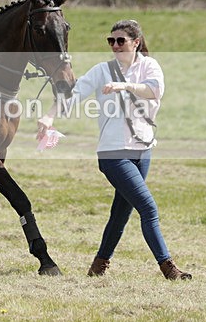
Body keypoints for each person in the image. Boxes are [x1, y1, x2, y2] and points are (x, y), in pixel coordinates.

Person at [36, 19, 192, 280]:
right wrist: (49, 116)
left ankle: (98, 266)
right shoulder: (101, 70)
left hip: (142, 151)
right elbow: (73, 94)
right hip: (113, 153)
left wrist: (124, 86)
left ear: (136, 42)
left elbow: (154, 92)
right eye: (111, 41)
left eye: (121, 41)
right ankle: (168, 268)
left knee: (121, 213)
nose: (115, 46)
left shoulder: (149, 66)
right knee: (149, 208)